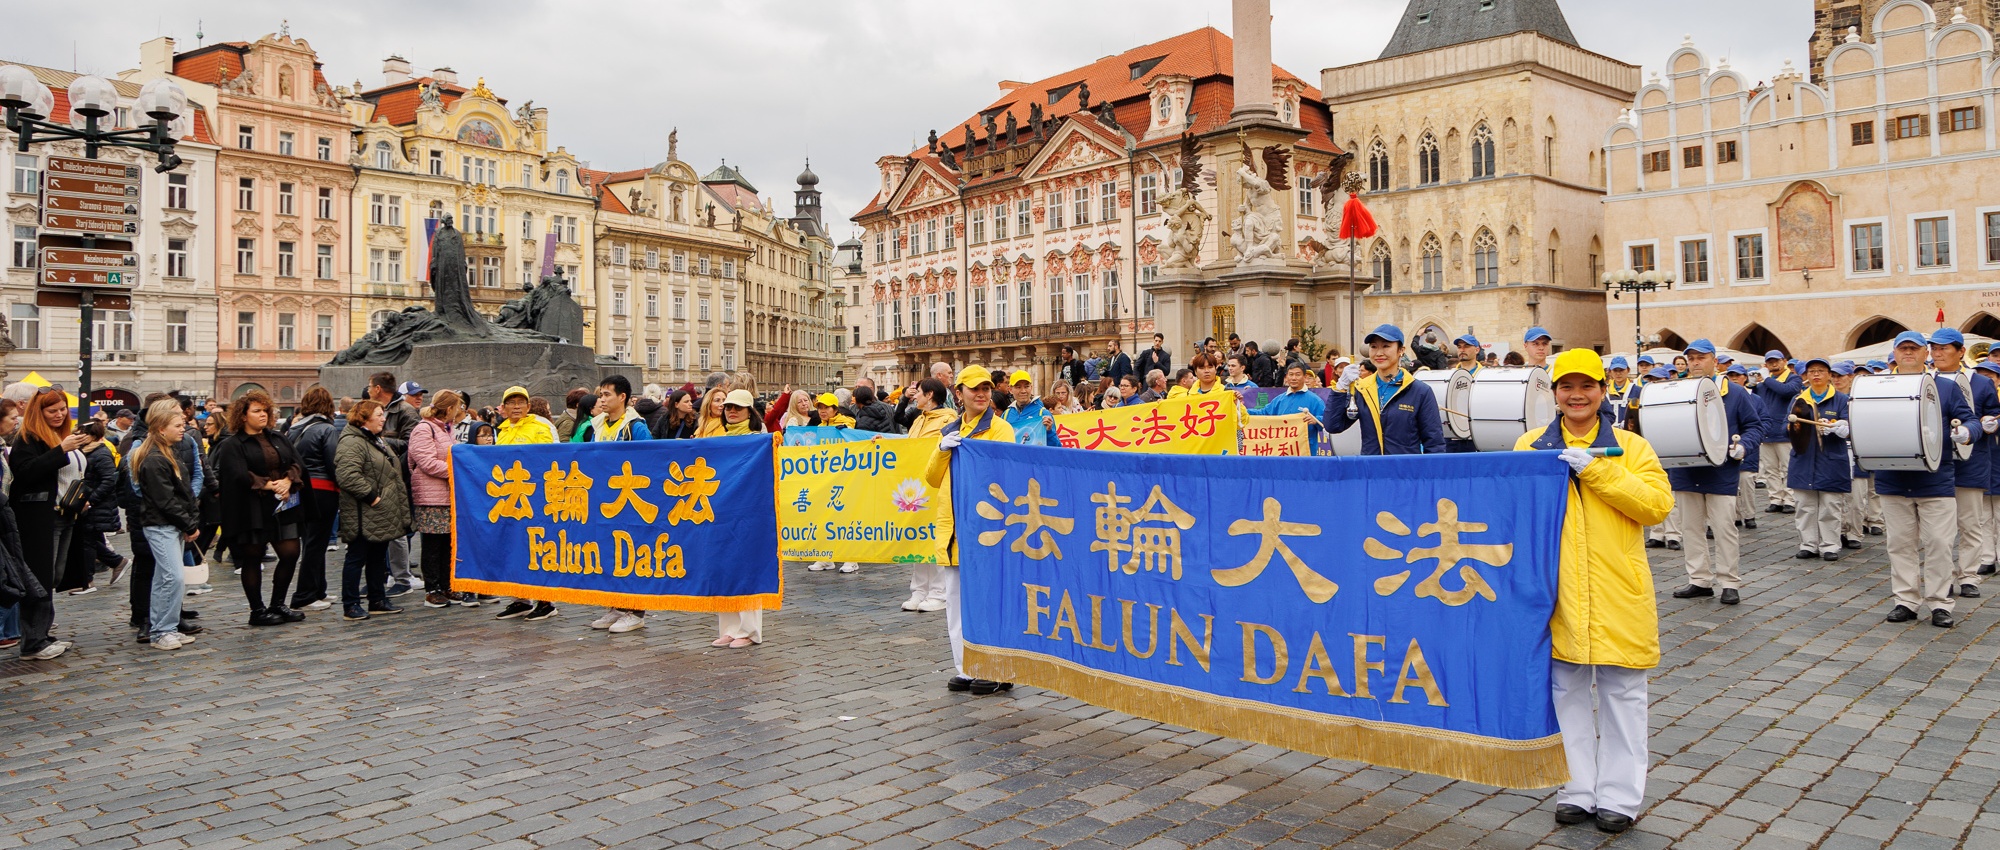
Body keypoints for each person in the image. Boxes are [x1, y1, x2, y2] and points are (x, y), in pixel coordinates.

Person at [1513, 349, 1673, 835]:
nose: (1576, 395)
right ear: (1554, 393)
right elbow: (1517, 515)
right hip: (1557, 590)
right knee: (1566, 693)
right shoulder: (1528, 445)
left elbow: (1656, 506)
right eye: (1566, 386)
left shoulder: (1631, 447)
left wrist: (1598, 470)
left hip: (1617, 590)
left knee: (1624, 695)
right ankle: (1577, 790)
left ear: (1603, 391)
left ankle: (1621, 798)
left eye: (1586, 386)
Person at [1873, 331, 1976, 626]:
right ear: (1894, 352)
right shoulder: (1878, 386)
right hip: (1892, 479)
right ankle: (1905, 600)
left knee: (1940, 543)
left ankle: (1940, 603)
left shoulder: (1944, 387)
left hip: (1936, 479)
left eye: (1914, 348)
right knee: (1900, 544)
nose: (1908, 352)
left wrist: (1967, 433)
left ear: (1924, 353)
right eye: (1903, 348)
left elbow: (1970, 419)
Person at [924, 367, 1016, 695]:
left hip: (987, 530)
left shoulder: (1001, 429)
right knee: (956, 604)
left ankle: (998, 667)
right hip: (954, 531)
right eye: (975, 389)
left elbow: (1004, 475)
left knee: (990, 601)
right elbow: (932, 478)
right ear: (960, 392)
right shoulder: (950, 430)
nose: (982, 395)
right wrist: (941, 450)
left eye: (986, 389)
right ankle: (966, 667)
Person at [1665, 340, 1764, 607]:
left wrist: (1743, 446)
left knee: (1724, 528)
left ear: (1714, 360)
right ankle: (1699, 580)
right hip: (1686, 468)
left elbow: (1754, 426)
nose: (1696, 362)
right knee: (1690, 527)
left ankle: (1729, 582)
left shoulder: (1734, 392)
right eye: (1692, 358)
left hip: (1722, 471)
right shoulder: (1676, 390)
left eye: (1701, 357)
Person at [213, 390, 309, 627]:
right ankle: (257, 610)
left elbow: (297, 462)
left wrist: (288, 481)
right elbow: (235, 474)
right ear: (243, 416)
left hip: (283, 505)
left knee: (290, 553)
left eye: (265, 410)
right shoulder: (233, 443)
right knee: (252, 557)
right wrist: (268, 485)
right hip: (252, 507)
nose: (263, 415)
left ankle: (278, 603)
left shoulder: (278, 437)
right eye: (257, 411)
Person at [9, 388, 87, 655]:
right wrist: (60, 450)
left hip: (65, 514)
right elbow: (25, 472)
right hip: (39, 516)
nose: (59, 414)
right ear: (38, 412)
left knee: (52, 575)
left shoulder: (61, 434)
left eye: (62, 409)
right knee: (39, 576)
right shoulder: (28, 437)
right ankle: (33, 640)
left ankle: (42, 632)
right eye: (52, 411)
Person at [1928, 329, 1997, 600]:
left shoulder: (1980, 383)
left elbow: (1993, 413)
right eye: (1934, 348)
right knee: (1939, 530)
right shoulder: (1925, 380)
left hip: (1972, 460)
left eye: (1944, 348)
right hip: (1937, 461)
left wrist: (1991, 424)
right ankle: (1942, 578)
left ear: (1960, 351)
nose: (1937, 352)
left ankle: (1969, 575)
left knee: (1970, 523)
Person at [131, 399, 204, 652]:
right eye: (177, 425)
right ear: (162, 429)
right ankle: (162, 630)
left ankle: (167, 627)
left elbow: (181, 491)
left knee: (168, 578)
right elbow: (166, 500)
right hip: (161, 525)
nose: (183, 428)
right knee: (171, 577)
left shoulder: (165, 453)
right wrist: (188, 523)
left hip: (169, 524)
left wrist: (188, 520)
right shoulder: (153, 458)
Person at [334, 400, 411, 621]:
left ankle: (377, 599)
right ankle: (351, 604)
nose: (383, 418)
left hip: (379, 512)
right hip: (363, 511)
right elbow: (348, 475)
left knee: (378, 556)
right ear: (365, 417)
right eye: (379, 414)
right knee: (356, 557)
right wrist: (373, 497)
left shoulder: (374, 439)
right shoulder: (352, 441)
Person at [492, 388, 560, 624]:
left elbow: (551, 460)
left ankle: (546, 601)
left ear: (529, 406)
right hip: (511, 500)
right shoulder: (501, 431)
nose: (517, 406)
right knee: (514, 548)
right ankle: (521, 598)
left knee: (539, 548)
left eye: (521, 402)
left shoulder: (541, 427)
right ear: (504, 408)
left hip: (537, 499)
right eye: (511, 403)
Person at [1326, 325, 1445, 456]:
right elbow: (1333, 425)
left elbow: (1434, 443)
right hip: (1371, 472)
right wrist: (1340, 388)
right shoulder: (1361, 389)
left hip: (1406, 473)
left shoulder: (1420, 391)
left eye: (1386, 346)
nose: (1379, 353)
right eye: (1373, 346)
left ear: (1401, 350)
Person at [711, 389, 772, 645]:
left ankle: (749, 631)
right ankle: (729, 627)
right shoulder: (719, 438)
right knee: (724, 569)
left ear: (750, 411)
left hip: (750, 513)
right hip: (724, 512)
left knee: (747, 570)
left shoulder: (760, 439)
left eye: (737, 408)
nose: (731, 412)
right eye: (728, 408)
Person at [1785, 358, 1852, 562]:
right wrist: (1794, 428)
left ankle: (1830, 545)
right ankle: (1808, 544)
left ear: (1829, 375)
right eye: (1811, 371)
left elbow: (1850, 425)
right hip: (1803, 458)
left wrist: (1838, 427)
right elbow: (1785, 426)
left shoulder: (1841, 400)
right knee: (1804, 506)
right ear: (1805, 376)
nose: (1816, 375)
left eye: (1821, 371)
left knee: (1830, 505)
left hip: (1831, 459)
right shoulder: (1799, 400)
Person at [407, 390, 465, 609]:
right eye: (457, 407)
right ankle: (432, 589)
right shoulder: (424, 428)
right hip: (431, 496)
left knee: (447, 543)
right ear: (448, 408)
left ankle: (446, 585)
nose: (459, 411)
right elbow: (427, 462)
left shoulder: (444, 429)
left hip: (447, 494)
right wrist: (456, 469)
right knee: (432, 543)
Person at [286, 388, 342, 611]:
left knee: (311, 541)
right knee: (316, 543)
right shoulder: (326, 429)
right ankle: (305, 594)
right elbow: (333, 462)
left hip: (300, 489)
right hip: (323, 489)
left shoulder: (295, 428)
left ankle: (318, 589)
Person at [65, 421, 123, 595]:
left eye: (83, 434)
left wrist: (90, 500)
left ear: (93, 436)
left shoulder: (101, 453)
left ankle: (88, 581)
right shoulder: (85, 452)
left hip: (95, 505)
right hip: (88, 504)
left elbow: (109, 480)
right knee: (89, 539)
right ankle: (117, 562)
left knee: (87, 541)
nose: (79, 437)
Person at [1754, 350, 1803, 514]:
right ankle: (1775, 499)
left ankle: (1790, 499)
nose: (1773, 364)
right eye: (1770, 362)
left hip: (1784, 433)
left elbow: (1786, 391)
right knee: (1770, 469)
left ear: (1784, 361)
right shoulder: (1763, 384)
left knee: (1788, 468)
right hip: (1767, 432)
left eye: (1776, 361)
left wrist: (1766, 379)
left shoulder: (1793, 378)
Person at [1252, 362, 1328, 446]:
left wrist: (1316, 420)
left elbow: (1327, 423)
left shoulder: (1315, 400)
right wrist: (1238, 408)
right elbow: (1262, 413)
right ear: (1286, 377)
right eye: (1291, 375)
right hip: (1282, 451)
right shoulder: (1279, 400)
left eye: (1297, 375)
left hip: (1306, 451)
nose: (1294, 378)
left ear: (1305, 377)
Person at [572, 376, 651, 443]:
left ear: (622, 397)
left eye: (607, 395)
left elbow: (648, 457)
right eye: (601, 395)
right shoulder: (598, 425)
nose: (602, 399)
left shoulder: (637, 428)